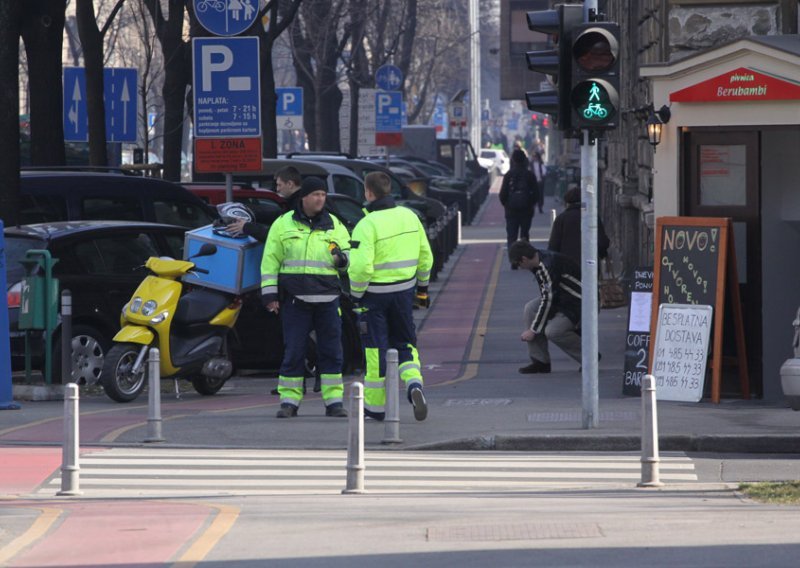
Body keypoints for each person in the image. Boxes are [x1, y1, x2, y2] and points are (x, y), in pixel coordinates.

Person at [260, 176, 351, 418]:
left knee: (332, 351)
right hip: (295, 300)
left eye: (323, 195)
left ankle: (334, 402)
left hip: (328, 299)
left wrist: (343, 261)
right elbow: (270, 262)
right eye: (316, 195)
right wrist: (269, 295)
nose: (321, 199)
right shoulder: (283, 225)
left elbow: (349, 259)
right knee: (294, 351)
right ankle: (289, 402)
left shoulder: (335, 225)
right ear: (304, 198)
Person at [348, 171, 434, 422]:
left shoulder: (367, 224)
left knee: (376, 350)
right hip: (404, 293)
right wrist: (422, 290)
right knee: (406, 344)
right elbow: (425, 256)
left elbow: (361, 267)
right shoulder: (409, 216)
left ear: (368, 193)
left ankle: (375, 408)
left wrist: (356, 295)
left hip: (374, 297)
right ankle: (414, 385)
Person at [508, 240, 582, 374]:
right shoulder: (538, 260)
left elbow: (548, 300)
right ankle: (540, 361)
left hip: (577, 302)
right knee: (530, 308)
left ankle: (588, 357)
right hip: (561, 298)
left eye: (519, 264)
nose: (520, 268)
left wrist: (533, 330)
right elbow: (547, 297)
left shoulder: (547, 266)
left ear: (524, 259)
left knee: (553, 331)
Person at [227, 166, 302, 239]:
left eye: (279, 185)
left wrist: (246, 227)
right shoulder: (296, 203)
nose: (277, 189)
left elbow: (278, 234)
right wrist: (251, 213)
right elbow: (276, 216)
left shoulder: (299, 206)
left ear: (290, 184)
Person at [548, 185, 610, 267]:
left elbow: (553, 246)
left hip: (567, 267)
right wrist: (602, 254)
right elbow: (602, 242)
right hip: (590, 265)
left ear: (567, 203)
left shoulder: (561, 218)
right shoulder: (592, 217)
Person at [498, 149, 540, 265]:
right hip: (526, 210)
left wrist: (507, 205)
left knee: (511, 236)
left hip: (511, 211)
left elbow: (502, 194)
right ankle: (523, 259)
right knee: (524, 235)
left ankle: (513, 261)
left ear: (513, 160)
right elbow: (536, 193)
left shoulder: (508, 175)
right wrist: (530, 204)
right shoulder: (530, 175)